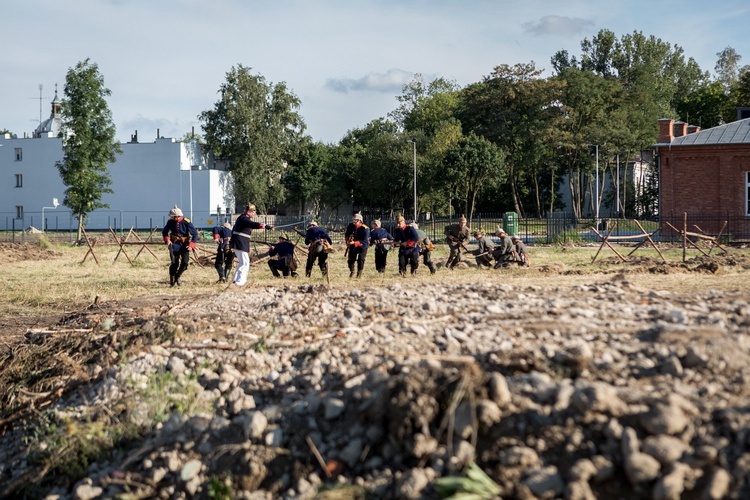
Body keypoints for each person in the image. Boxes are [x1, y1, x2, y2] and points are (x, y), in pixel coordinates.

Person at [230, 203, 272, 286]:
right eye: (254, 212)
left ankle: (236, 279)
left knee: (242, 262)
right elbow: (252, 224)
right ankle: (240, 282)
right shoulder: (244, 218)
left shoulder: (242, 218)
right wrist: (264, 225)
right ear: (249, 211)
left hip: (240, 242)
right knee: (245, 262)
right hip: (240, 242)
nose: (255, 214)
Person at [162, 205, 198, 287]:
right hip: (174, 245)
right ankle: (172, 280)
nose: (174, 218)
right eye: (173, 217)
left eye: (175, 217)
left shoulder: (186, 222)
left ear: (179, 216)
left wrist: (191, 245)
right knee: (174, 263)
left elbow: (195, 234)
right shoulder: (170, 222)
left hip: (185, 245)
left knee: (185, 262)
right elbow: (165, 232)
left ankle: (177, 277)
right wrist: (167, 239)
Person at [346, 213, 370, 278]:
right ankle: (352, 271)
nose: (354, 221)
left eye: (355, 220)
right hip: (352, 244)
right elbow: (347, 235)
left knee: (361, 259)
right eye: (353, 220)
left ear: (360, 221)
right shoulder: (350, 226)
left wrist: (354, 242)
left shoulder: (365, 229)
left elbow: (364, 241)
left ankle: (359, 273)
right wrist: (347, 241)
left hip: (362, 245)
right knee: (351, 259)